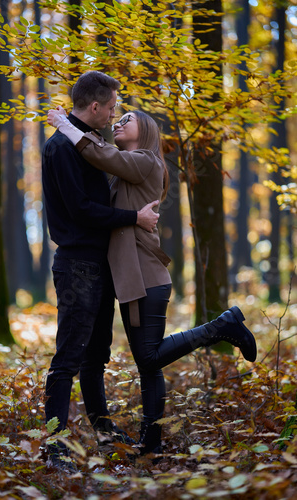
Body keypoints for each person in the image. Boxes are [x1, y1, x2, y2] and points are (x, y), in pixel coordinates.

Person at [47, 105, 257, 458]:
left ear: (145, 131)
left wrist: (66, 125)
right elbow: (102, 173)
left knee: (148, 355)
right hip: (131, 277)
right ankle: (151, 443)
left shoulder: (146, 161)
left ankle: (222, 326)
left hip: (146, 276)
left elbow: (99, 153)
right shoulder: (125, 172)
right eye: (117, 117)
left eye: (126, 118)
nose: (118, 121)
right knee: (149, 363)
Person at [42, 71, 161, 471]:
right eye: (111, 108)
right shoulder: (62, 147)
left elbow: (109, 164)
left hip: (99, 263)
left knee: (96, 357)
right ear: (95, 107)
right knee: (68, 358)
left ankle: (105, 433)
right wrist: (134, 218)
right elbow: (81, 210)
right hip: (77, 265)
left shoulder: (89, 144)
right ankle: (55, 446)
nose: (114, 115)